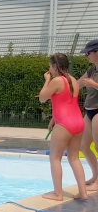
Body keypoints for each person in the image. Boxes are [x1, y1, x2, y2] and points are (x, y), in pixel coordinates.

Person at [38, 53, 88, 201]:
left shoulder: (57, 81)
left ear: (55, 66)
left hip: (65, 125)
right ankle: (83, 193)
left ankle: (58, 194)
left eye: (50, 66)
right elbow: (67, 102)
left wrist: (47, 80)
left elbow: (42, 98)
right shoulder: (72, 80)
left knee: (55, 158)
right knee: (74, 158)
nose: (49, 69)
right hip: (78, 122)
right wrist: (54, 118)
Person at [78, 39, 98, 190]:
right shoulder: (91, 71)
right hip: (90, 110)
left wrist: (94, 85)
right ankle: (95, 175)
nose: (86, 56)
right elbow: (77, 84)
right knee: (83, 145)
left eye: (88, 53)